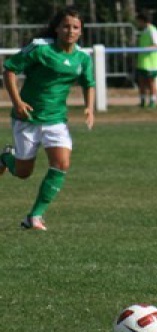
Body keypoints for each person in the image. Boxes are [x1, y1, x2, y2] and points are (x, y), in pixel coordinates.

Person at [0, 6, 95, 231]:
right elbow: (9, 70)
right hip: (28, 118)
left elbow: (88, 83)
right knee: (24, 173)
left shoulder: (82, 57)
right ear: (57, 28)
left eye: (75, 27)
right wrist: (17, 102)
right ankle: (5, 158)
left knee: (61, 163)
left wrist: (89, 108)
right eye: (66, 26)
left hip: (56, 120)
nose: (70, 31)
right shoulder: (40, 49)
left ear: (81, 31)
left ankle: (34, 216)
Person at [135, 11, 157, 108]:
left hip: (151, 63)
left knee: (151, 82)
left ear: (143, 20)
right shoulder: (144, 31)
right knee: (141, 81)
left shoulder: (152, 30)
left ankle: (152, 101)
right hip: (143, 62)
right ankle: (142, 100)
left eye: (138, 21)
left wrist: (145, 49)